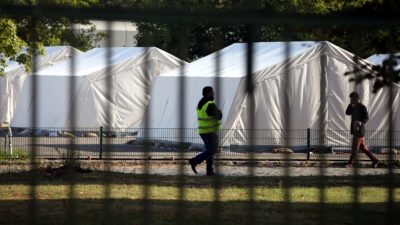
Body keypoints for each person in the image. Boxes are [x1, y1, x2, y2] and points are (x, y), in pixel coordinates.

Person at [189, 86, 222, 176]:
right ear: (208, 93)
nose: (213, 93)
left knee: (209, 151)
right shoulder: (209, 104)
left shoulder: (200, 103)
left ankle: (209, 171)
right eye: (212, 92)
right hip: (210, 131)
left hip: (203, 131)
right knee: (212, 150)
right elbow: (219, 116)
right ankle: (194, 160)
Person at [345, 91, 379, 168]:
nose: (350, 100)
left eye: (351, 99)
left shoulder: (362, 107)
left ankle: (350, 163)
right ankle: (375, 160)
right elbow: (347, 113)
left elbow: (366, 117)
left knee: (355, 147)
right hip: (355, 129)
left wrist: (360, 122)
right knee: (362, 147)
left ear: (356, 99)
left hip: (360, 130)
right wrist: (350, 105)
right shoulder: (353, 107)